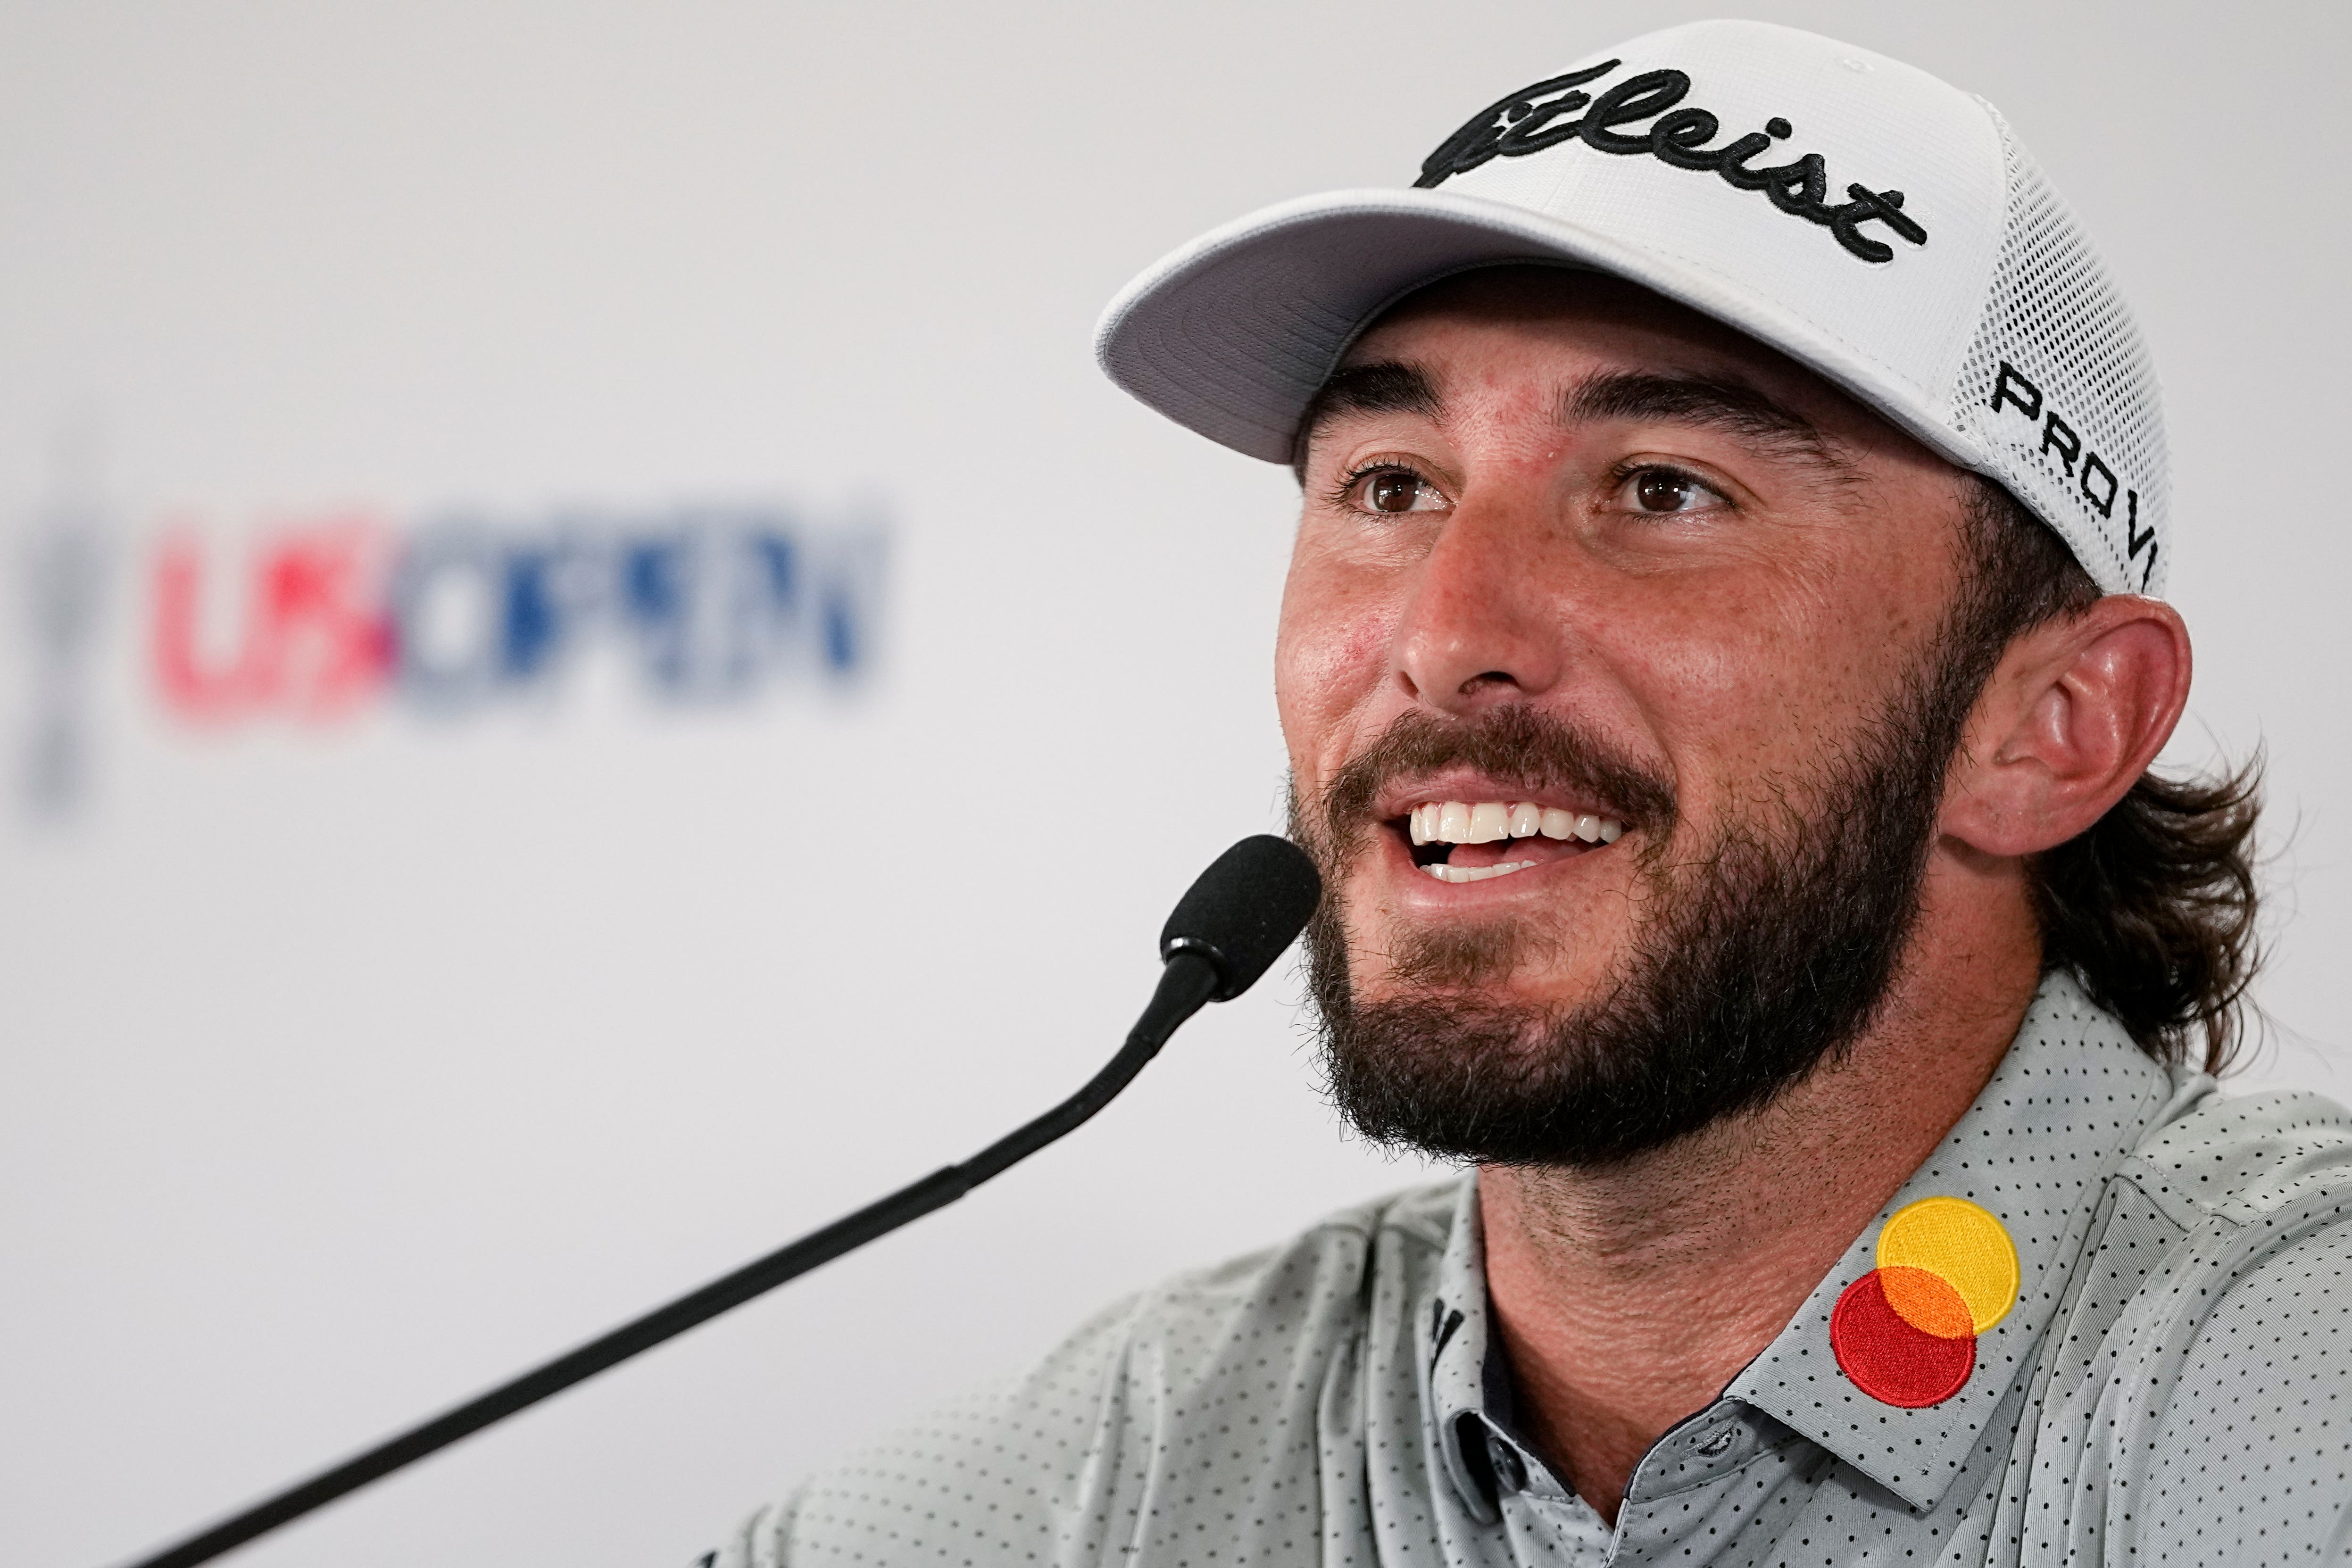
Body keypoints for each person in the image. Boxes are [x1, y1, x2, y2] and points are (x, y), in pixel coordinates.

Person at [706, 20, 2350, 1565]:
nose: (1442, 634)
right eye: (1389, 485)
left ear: (2052, 724)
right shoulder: (1124, 1467)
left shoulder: (2292, 1385)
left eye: (1659, 488)